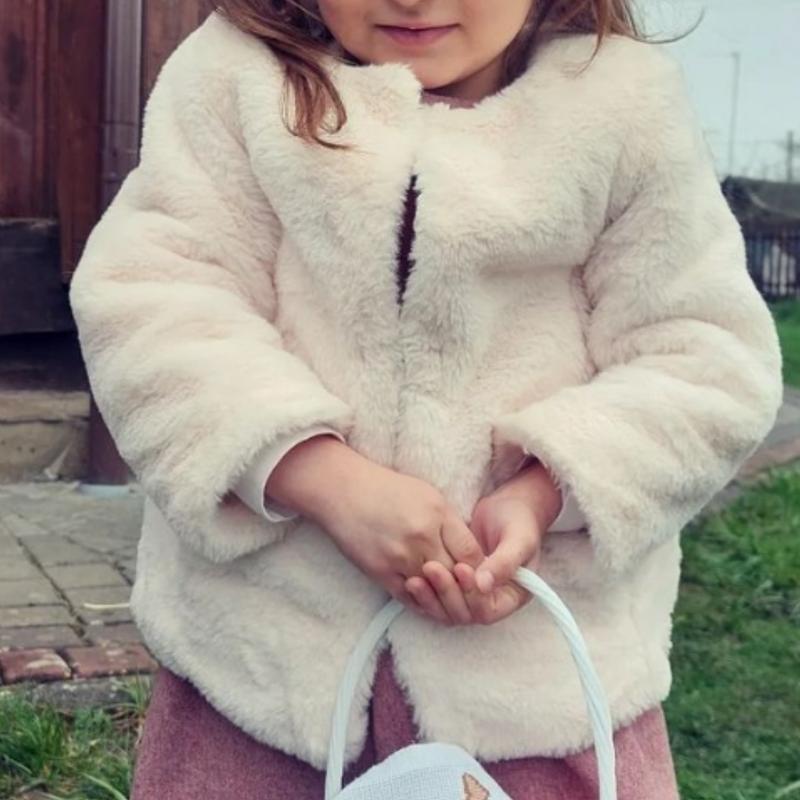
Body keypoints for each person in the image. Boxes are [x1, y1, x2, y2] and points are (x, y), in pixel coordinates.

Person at [67, 1, 784, 798]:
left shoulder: (624, 106)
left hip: (540, 695)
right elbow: (152, 301)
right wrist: (321, 478)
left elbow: (706, 358)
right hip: (259, 685)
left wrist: (547, 492)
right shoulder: (236, 80)